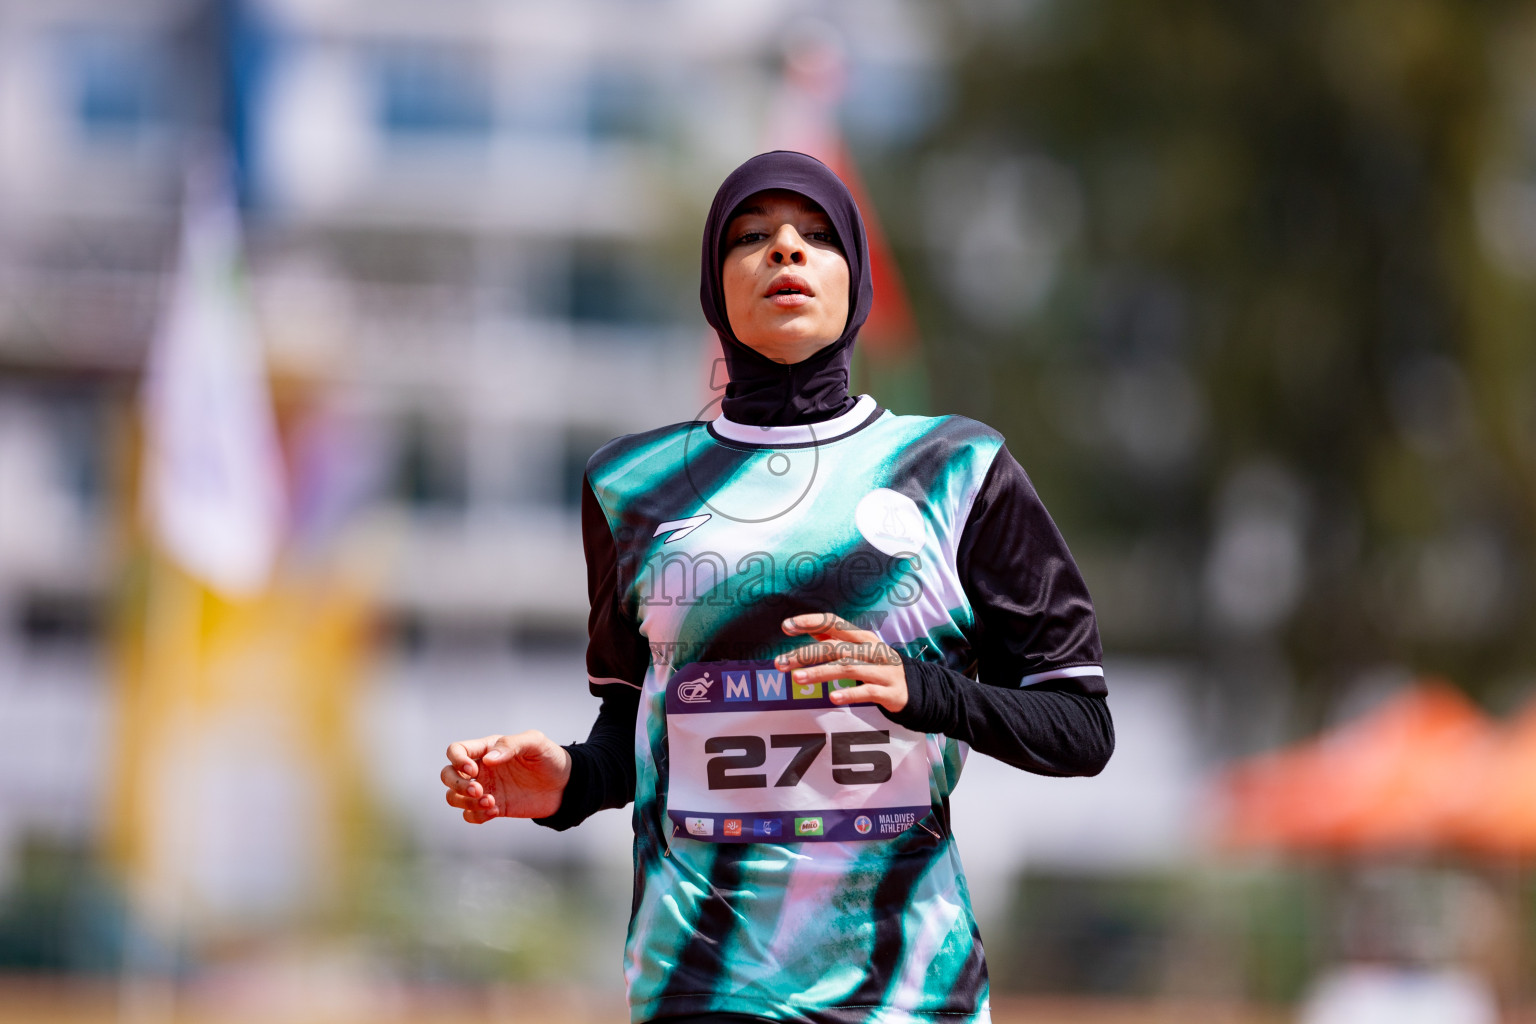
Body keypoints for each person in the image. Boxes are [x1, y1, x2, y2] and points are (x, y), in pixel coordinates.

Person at [440, 151, 1114, 1024]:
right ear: (715, 286)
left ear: (856, 278)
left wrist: (925, 691)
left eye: (816, 235)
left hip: (910, 994)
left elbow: (1080, 727)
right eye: (752, 237)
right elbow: (636, 727)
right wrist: (569, 782)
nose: (785, 251)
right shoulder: (630, 486)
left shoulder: (958, 468)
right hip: (701, 986)